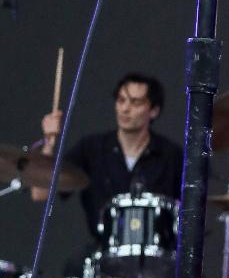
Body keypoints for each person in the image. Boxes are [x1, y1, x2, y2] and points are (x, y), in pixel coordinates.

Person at [35, 74, 182, 262]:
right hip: (101, 255)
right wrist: (48, 142)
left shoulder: (171, 155)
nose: (125, 109)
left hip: (158, 260)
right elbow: (40, 193)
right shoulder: (91, 148)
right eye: (121, 100)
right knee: (72, 269)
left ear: (153, 110)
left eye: (135, 102)